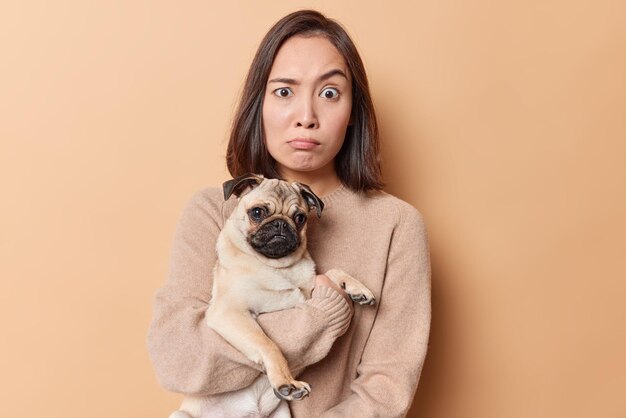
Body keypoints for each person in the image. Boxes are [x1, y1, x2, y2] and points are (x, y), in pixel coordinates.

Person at [147, 9, 431, 418]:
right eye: (284, 91)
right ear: (258, 104)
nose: (307, 116)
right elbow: (179, 361)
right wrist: (314, 319)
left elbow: (386, 391)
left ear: (354, 112)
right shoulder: (215, 211)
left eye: (329, 93)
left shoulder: (396, 226)